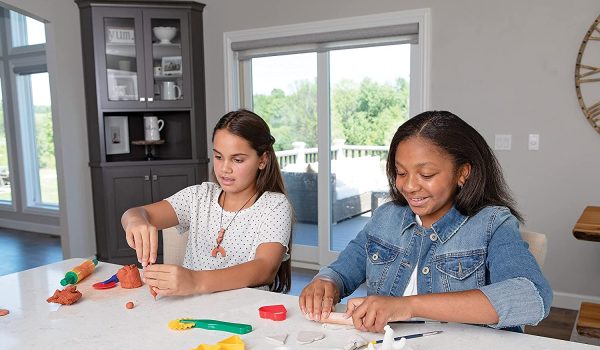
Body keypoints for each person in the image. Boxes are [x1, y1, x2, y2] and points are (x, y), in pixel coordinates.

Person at [299, 111, 552, 333]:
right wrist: (326, 284)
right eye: (401, 172)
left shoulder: (492, 223)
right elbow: (342, 271)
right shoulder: (385, 218)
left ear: (462, 173)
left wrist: (407, 306)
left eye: (426, 174)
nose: (408, 186)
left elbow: (531, 296)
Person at [121, 109, 292, 296]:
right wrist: (135, 221)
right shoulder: (199, 196)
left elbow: (264, 270)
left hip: (244, 313)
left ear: (263, 160)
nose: (225, 168)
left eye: (238, 159)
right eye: (218, 157)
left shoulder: (275, 205)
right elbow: (135, 213)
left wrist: (194, 280)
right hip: (191, 310)